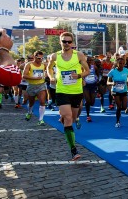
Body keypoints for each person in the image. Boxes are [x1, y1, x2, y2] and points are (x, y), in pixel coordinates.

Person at [47, 32, 90, 161]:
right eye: (64, 41)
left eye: (69, 42)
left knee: (73, 116)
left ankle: (64, 118)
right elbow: (48, 68)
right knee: (68, 117)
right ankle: (73, 150)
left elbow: (87, 70)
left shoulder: (79, 55)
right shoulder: (55, 56)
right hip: (62, 90)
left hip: (76, 91)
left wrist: (80, 76)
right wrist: (51, 77)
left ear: (72, 43)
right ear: (60, 42)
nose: (66, 44)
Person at [22, 51, 48, 125]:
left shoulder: (44, 65)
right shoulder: (29, 65)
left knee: (42, 101)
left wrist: (46, 74)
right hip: (31, 85)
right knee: (31, 102)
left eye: (42, 58)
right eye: (39, 58)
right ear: (34, 57)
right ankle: (29, 112)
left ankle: (41, 120)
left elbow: (49, 71)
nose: (41, 60)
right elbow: (24, 75)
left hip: (41, 85)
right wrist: (34, 78)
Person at [107, 57, 128, 128]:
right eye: (120, 63)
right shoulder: (112, 71)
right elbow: (107, 82)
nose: (121, 65)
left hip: (124, 90)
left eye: (123, 63)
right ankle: (117, 121)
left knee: (124, 107)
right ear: (116, 63)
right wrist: (112, 83)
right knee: (118, 107)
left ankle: (121, 110)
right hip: (115, 91)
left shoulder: (126, 70)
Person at [83, 56, 99, 122]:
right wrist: (82, 80)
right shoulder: (82, 67)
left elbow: (97, 75)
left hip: (93, 85)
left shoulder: (94, 67)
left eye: (90, 60)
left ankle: (87, 104)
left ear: (92, 61)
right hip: (86, 86)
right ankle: (88, 115)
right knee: (88, 101)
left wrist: (97, 80)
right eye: (87, 61)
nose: (89, 62)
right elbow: (80, 75)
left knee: (92, 102)